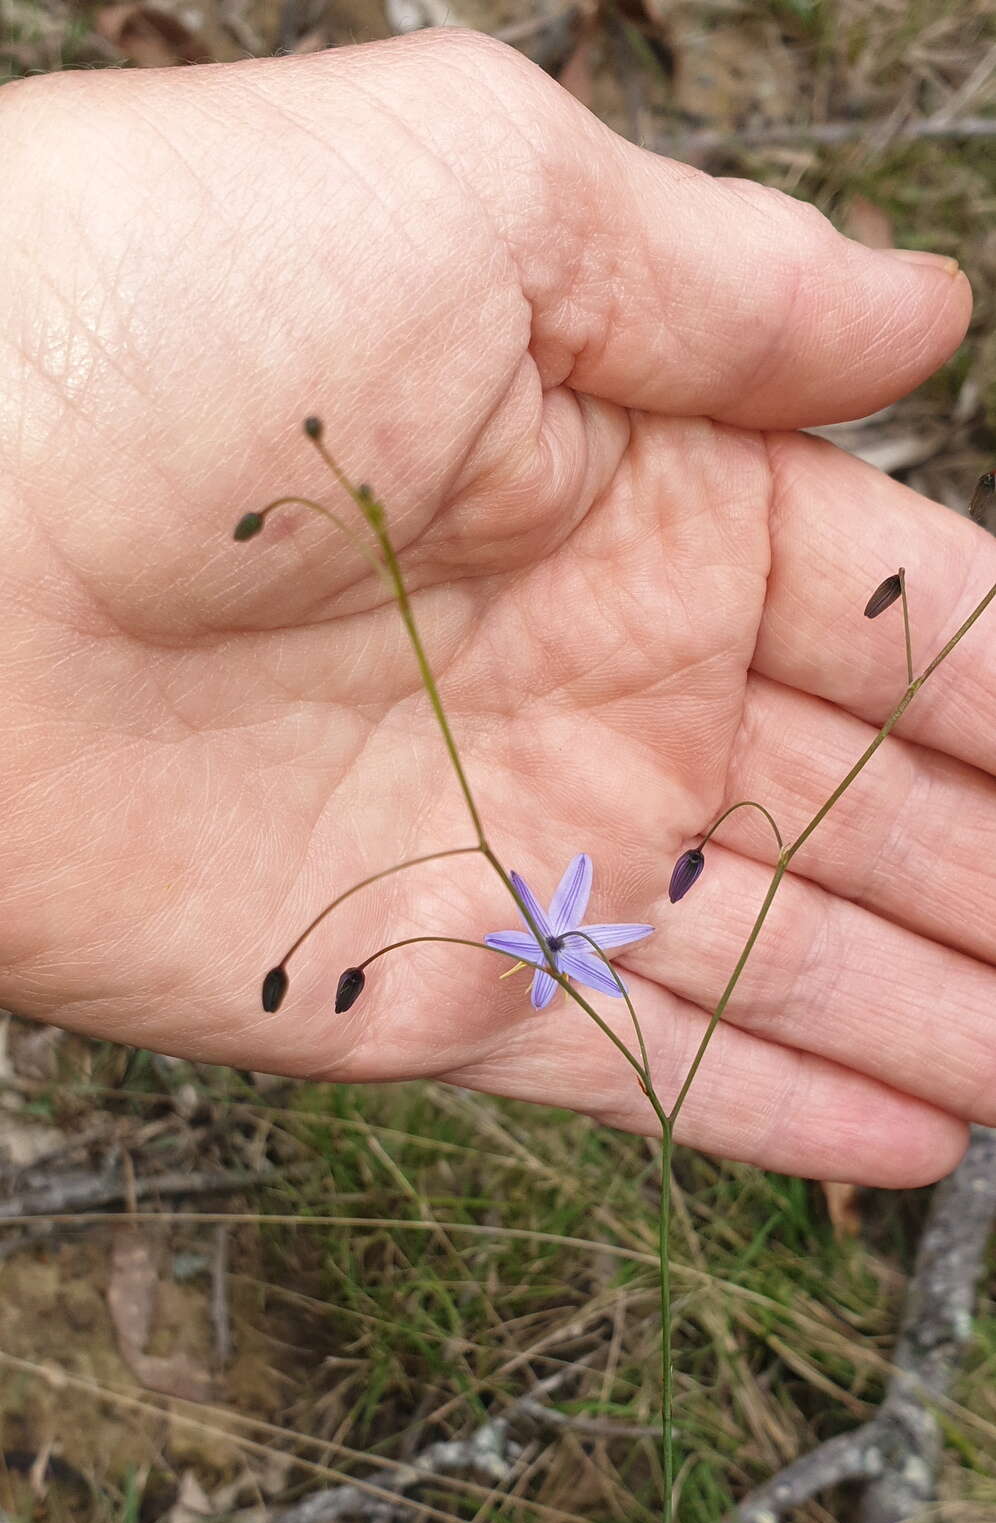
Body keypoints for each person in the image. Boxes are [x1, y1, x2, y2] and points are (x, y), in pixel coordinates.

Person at [1, 29, 993, 1185]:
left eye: (560, 947)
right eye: (554, 946)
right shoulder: (555, 937)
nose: (562, 950)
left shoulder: (564, 938)